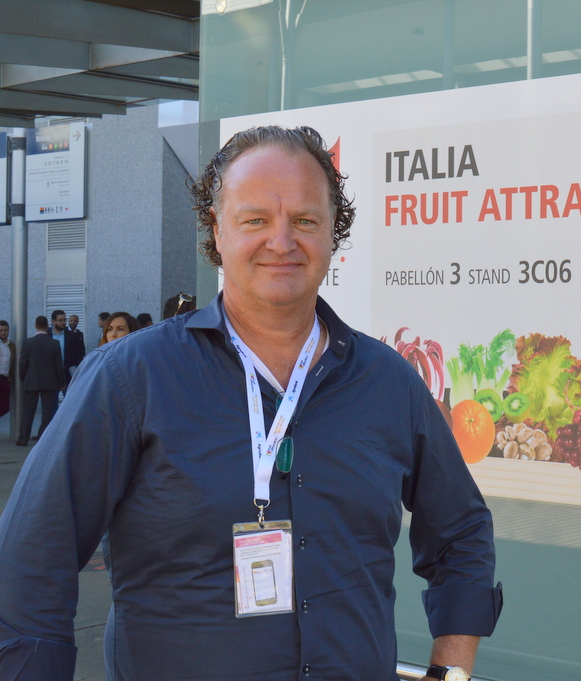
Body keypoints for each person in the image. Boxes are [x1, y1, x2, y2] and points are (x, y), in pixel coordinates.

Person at [0, 125, 501, 680]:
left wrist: (451, 673)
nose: (281, 242)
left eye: (305, 220)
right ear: (217, 229)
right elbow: (32, 555)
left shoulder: (389, 383)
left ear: (333, 231)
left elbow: (461, 533)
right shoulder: (130, 378)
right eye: (256, 219)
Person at [15, 315, 64, 446]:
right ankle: (43, 438)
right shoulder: (54, 344)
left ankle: (23, 438)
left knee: (28, 411)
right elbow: (59, 366)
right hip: (50, 382)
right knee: (47, 412)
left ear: (36, 326)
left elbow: (23, 363)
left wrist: (23, 378)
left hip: (31, 381)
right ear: (47, 326)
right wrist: (62, 382)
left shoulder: (28, 343)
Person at [49, 309, 86, 381]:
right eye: (60, 320)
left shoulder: (72, 335)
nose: (63, 322)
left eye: (64, 320)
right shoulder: (48, 335)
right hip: (51, 373)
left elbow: (79, 353)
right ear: (53, 321)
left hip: (67, 373)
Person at [0, 320, 13, 420]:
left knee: (5, 407)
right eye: (1, 330)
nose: (3, 332)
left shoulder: (11, 346)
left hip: (5, 380)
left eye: (5, 330)